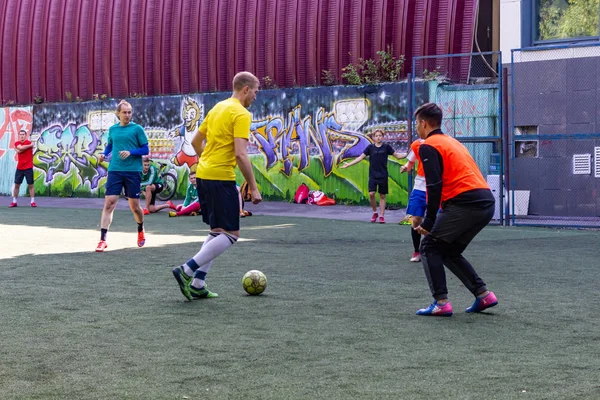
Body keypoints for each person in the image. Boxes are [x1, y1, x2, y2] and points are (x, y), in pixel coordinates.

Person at [172, 71, 262, 300]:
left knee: (216, 232)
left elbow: (194, 142)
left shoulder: (217, 108)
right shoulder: (241, 113)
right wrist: (253, 186)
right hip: (221, 177)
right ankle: (187, 270)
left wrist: (207, 161)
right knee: (232, 234)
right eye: (255, 91)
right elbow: (241, 155)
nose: (256, 96)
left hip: (203, 174)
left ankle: (198, 284)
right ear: (245, 89)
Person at [413, 103, 497, 316]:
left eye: (416, 123)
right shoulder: (453, 142)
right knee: (448, 251)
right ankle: (484, 295)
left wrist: (429, 220)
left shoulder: (429, 145)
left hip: (465, 203)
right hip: (485, 202)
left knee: (429, 247)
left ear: (423, 123)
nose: (416, 128)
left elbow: (433, 184)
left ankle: (441, 303)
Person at [95, 100, 149, 252]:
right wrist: (104, 154)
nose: (127, 115)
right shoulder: (113, 130)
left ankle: (140, 229)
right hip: (115, 170)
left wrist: (131, 152)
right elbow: (110, 145)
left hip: (133, 171)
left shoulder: (137, 129)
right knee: (109, 203)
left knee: (135, 207)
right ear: (118, 114)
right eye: (124, 112)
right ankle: (102, 240)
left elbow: (145, 149)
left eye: (129, 112)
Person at [340, 129, 406, 223]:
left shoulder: (387, 147)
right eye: (376, 136)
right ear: (374, 138)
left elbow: (397, 156)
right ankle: (375, 212)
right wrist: (349, 164)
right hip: (373, 175)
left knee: (382, 195)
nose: (378, 137)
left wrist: (408, 154)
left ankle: (382, 216)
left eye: (380, 135)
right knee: (371, 194)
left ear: (382, 137)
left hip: (383, 175)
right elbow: (360, 157)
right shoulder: (370, 147)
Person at [400, 138, 426, 262]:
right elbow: (410, 162)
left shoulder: (441, 142)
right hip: (420, 186)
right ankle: (417, 251)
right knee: (415, 219)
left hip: (437, 187)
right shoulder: (417, 144)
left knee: (438, 221)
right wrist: (405, 167)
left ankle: (435, 250)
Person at [9, 129, 36, 208]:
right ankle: (14, 201)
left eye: (23, 134)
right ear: (19, 135)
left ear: (25, 135)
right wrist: (30, 146)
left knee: (31, 185)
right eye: (20, 134)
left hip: (28, 167)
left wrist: (19, 149)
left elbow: (19, 150)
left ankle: (32, 201)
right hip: (20, 168)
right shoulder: (17, 143)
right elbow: (20, 149)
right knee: (17, 185)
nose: (22, 136)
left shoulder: (28, 142)